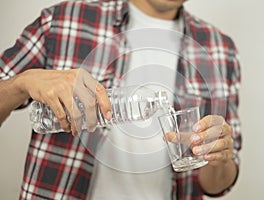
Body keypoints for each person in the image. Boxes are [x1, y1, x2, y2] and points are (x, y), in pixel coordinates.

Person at [0, 0, 242, 199]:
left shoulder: (219, 48)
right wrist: (22, 82)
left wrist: (219, 155)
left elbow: (216, 186)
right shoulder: (63, 20)